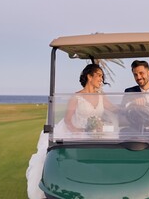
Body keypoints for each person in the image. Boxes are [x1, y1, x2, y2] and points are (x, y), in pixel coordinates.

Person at [26, 64, 111, 199]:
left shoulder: (101, 96)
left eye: (102, 76)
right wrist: (79, 130)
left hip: (95, 134)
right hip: (77, 133)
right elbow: (68, 120)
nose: (102, 79)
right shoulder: (76, 97)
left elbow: (114, 109)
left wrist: (130, 106)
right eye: (99, 75)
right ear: (89, 76)